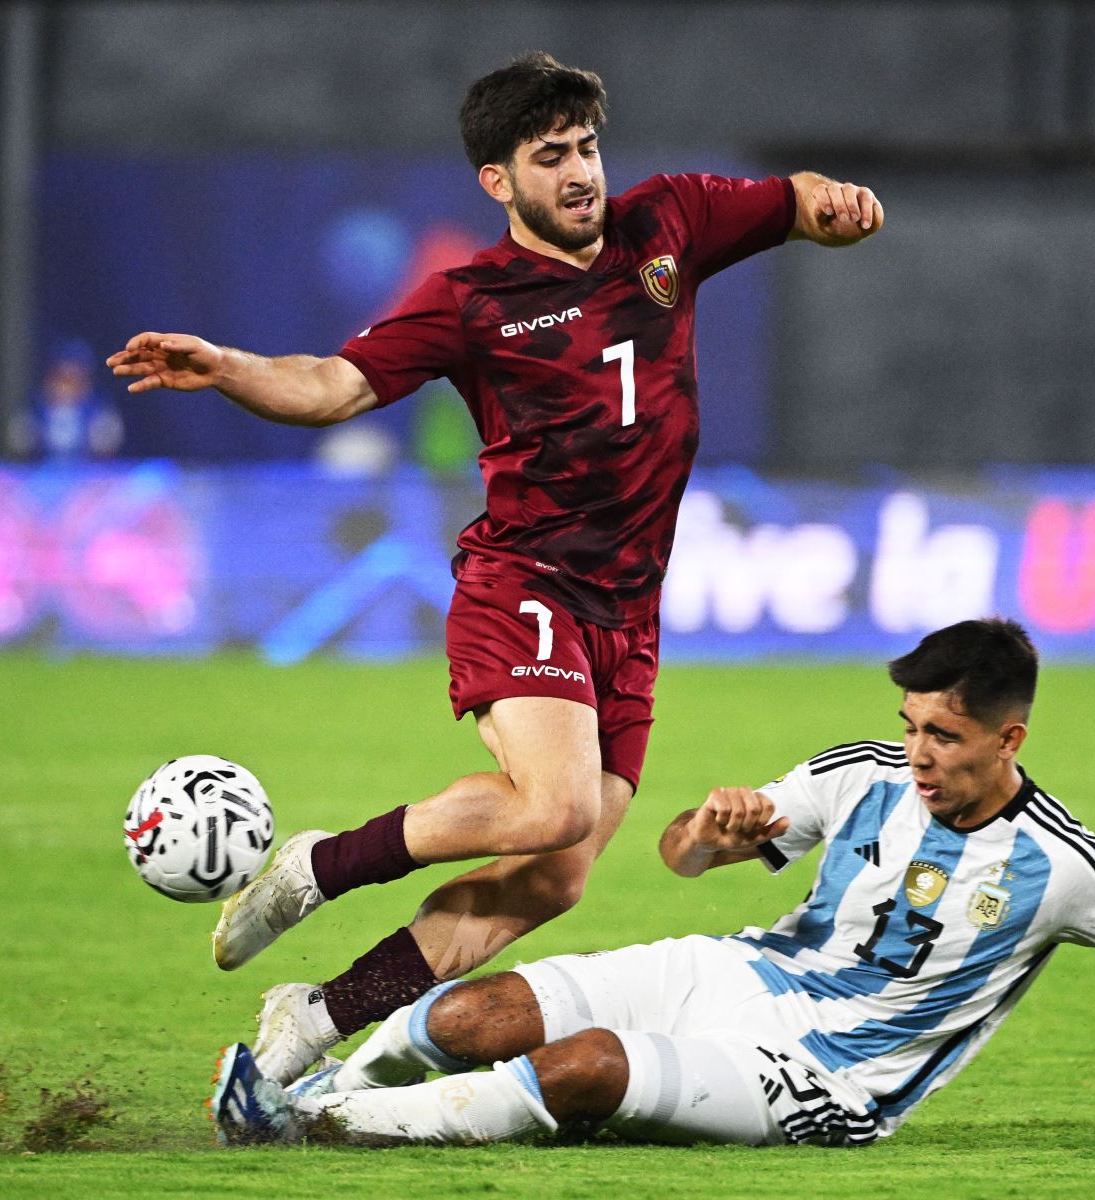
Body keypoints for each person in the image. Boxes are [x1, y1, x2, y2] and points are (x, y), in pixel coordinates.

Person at [106, 52, 884, 1081]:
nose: (580, 174)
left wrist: (832, 203)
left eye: (588, 149)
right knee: (554, 804)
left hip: (629, 611)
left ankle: (316, 1018)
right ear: (498, 182)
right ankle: (315, 866)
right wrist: (230, 368)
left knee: (555, 876)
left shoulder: (673, 221)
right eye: (550, 156)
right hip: (527, 583)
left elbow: (791, 202)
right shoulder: (472, 300)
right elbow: (333, 385)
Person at [210, 619, 1095, 1151]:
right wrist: (711, 827)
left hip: (834, 1076)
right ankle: (317, 1084)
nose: (917, 752)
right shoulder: (864, 773)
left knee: (588, 1069)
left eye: (944, 736)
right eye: (913, 725)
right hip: (734, 970)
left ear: (1010, 739)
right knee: (474, 1015)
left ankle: (312, 1126)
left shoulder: (1070, 865)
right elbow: (680, 859)